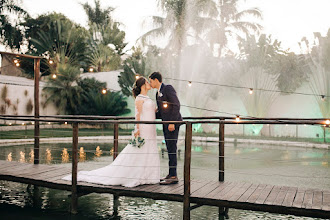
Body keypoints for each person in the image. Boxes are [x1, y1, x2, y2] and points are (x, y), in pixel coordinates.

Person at [62, 77, 160, 187]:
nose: (149, 84)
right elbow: (137, 116)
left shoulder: (147, 98)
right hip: (143, 128)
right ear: (142, 85)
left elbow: (151, 111)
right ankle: (136, 175)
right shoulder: (139, 99)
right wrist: (137, 129)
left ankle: (148, 175)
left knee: (149, 149)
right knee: (141, 150)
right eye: (147, 82)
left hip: (151, 128)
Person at [149, 72, 182, 185]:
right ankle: (170, 173)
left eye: (151, 81)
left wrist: (172, 122)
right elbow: (162, 112)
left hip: (172, 125)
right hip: (166, 124)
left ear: (156, 80)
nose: (150, 83)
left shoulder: (168, 88)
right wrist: (149, 113)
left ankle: (173, 176)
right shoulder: (157, 94)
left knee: (172, 148)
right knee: (169, 148)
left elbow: (176, 104)